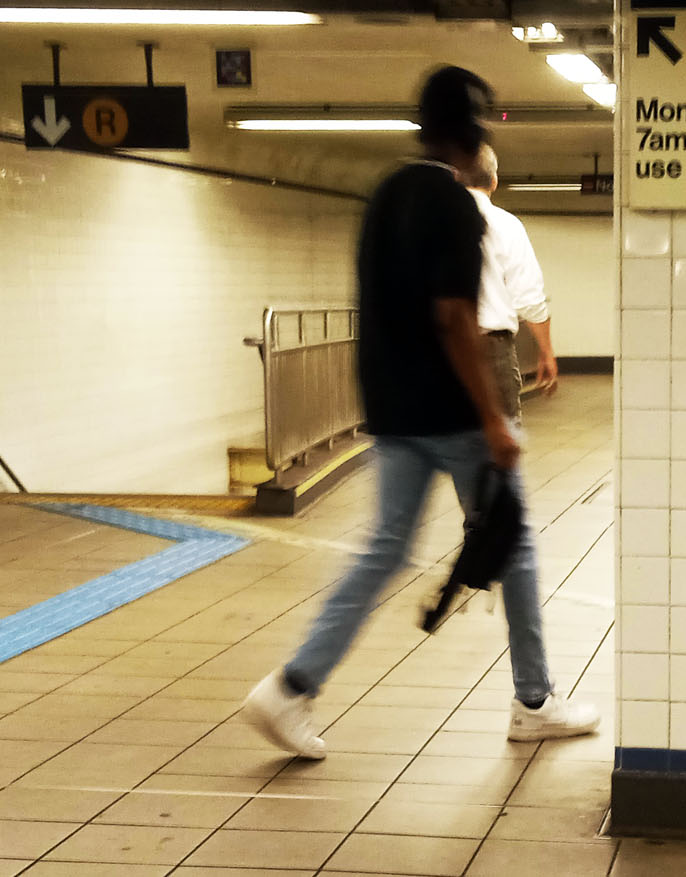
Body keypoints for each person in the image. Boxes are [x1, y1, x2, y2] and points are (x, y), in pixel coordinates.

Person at [240, 66, 599, 759]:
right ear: (471, 135)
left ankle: (290, 688)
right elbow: (455, 319)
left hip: (394, 411)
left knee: (384, 550)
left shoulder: (385, 194)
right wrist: (494, 418)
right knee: (513, 542)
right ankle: (533, 700)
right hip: (453, 414)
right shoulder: (453, 206)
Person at [463, 143, 559, 417]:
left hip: (438, 350)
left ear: (456, 178)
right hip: (491, 350)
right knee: (500, 441)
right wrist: (546, 351)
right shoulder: (506, 225)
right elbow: (528, 297)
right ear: (494, 181)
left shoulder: (429, 221)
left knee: (446, 440)